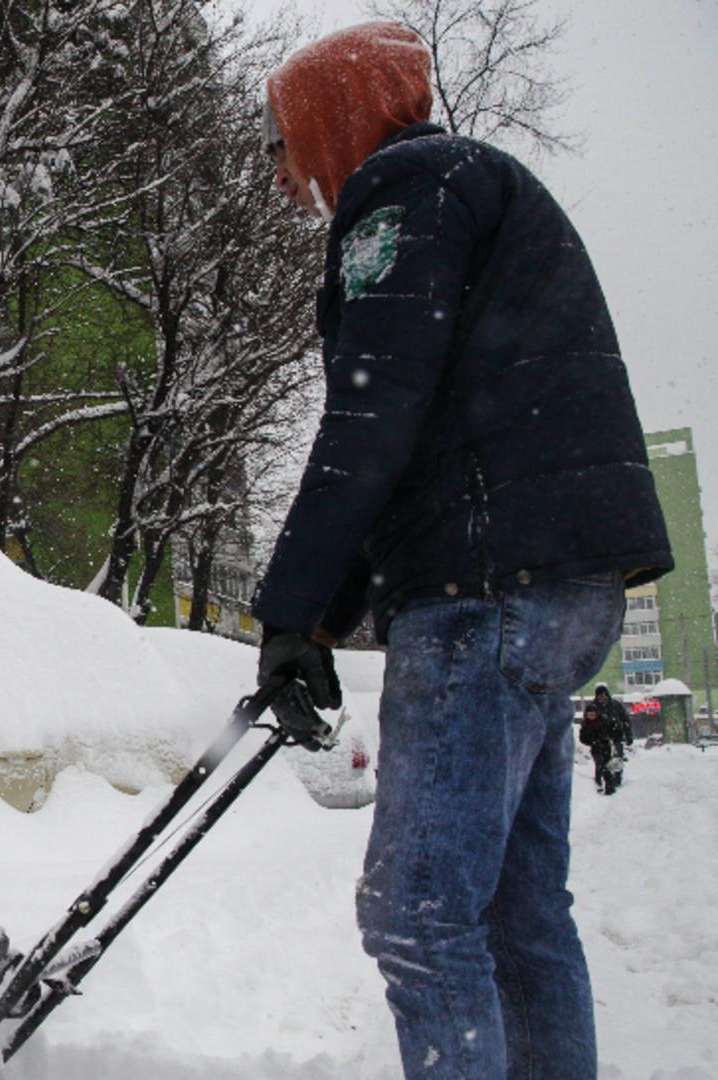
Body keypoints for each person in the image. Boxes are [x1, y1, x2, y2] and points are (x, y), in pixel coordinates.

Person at [248, 21, 674, 1080]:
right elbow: (412, 429)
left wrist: (290, 613)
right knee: (516, 920)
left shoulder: (404, 193)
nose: (281, 167)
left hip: (485, 597)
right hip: (554, 592)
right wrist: (321, 618)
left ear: (331, 119)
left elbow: (369, 417)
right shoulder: (468, 189)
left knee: (419, 920)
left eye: (282, 138)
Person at [578, 703, 623, 795]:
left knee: (606, 765)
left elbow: (614, 731)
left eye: (593, 714)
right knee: (600, 764)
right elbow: (582, 738)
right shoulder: (585, 724)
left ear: (597, 714)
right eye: (589, 715)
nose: (591, 717)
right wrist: (591, 741)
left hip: (606, 746)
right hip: (595, 748)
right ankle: (603, 785)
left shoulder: (604, 721)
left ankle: (605, 785)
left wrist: (610, 737)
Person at [594, 683, 635, 754]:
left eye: (603, 695)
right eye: (599, 696)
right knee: (602, 761)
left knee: (617, 759)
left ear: (606, 694)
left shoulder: (615, 705)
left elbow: (625, 720)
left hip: (616, 736)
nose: (601, 698)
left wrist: (629, 735)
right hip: (599, 739)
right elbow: (587, 724)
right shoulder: (593, 708)